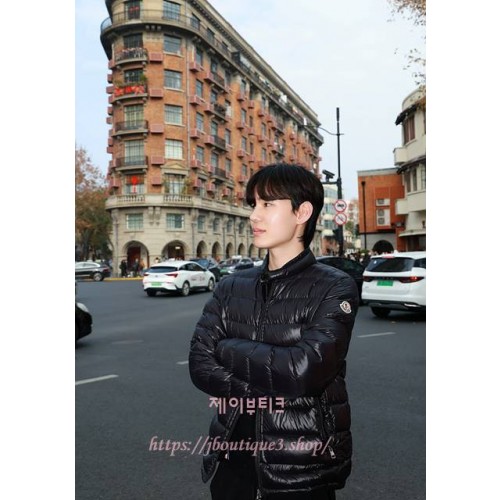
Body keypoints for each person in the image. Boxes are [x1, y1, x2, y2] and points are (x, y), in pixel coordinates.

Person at [189, 163, 359, 500]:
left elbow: (304, 370)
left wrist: (226, 348)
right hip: (232, 458)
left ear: (302, 213)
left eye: (267, 204)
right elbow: (199, 364)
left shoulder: (334, 286)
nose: (254, 215)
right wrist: (273, 386)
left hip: (302, 466)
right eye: (254, 204)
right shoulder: (231, 286)